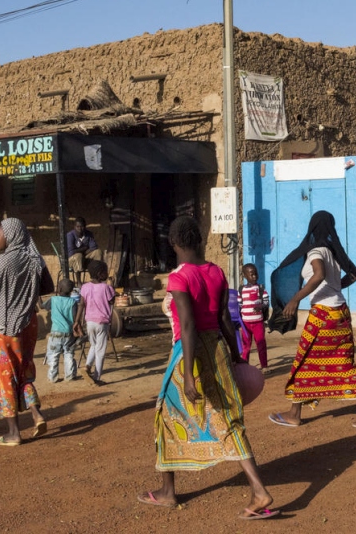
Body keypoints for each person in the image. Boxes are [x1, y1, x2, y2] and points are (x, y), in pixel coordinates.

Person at [138, 216, 279, 521]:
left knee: (166, 417)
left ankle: (168, 492)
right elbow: (226, 320)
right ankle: (258, 491)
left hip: (189, 356)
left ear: (174, 244)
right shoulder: (215, 271)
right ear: (199, 240)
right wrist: (235, 353)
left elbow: (187, 326)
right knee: (230, 418)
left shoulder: (179, 277)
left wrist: (188, 374)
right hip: (217, 352)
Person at [267, 210, 356, 430]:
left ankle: (294, 414)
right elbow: (354, 274)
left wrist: (294, 300)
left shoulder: (315, 251)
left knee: (303, 360)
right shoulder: (335, 253)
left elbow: (318, 274)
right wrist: (335, 287)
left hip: (322, 315)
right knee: (345, 363)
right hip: (341, 314)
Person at [0, 217, 49, 446]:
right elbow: (48, 287)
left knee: (5, 376)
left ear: (10, 235)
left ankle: (14, 433)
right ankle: (36, 415)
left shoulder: (2, 262)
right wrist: (26, 292)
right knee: (23, 370)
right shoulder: (35, 258)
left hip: (6, 327)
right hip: (29, 323)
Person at [75, 260, 115, 386]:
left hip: (89, 322)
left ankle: (87, 367)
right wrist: (112, 285)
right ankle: (97, 377)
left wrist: (76, 321)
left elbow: (81, 304)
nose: (107, 273)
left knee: (93, 345)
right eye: (105, 272)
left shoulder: (85, 287)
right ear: (100, 274)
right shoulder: (106, 288)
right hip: (102, 322)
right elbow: (112, 301)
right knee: (100, 350)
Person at [41, 278, 79, 383]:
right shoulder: (73, 302)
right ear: (71, 291)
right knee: (69, 353)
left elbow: (42, 306)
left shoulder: (53, 299)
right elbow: (75, 317)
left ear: (59, 288)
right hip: (68, 333)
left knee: (53, 355)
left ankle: (53, 377)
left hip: (55, 333)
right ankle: (70, 375)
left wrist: (38, 296)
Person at [238, 263, 270, 373]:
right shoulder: (241, 290)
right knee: (246, 346)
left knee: (261, 343)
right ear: (245, 276)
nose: (254, 277)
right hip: (245, 324)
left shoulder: (261, 289)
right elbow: (239, 305)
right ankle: (244, 367)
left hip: (258, 323)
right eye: (251, 274)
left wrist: (260, 306)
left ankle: (264, 366)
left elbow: (266, 302)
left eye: (256, 274)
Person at [65, 217, 103, 284]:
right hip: (71, 260)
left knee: (98, 252)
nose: (80, 229)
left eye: (82, 226)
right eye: (78, 227)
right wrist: (85, 248)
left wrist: (82, 251)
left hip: (84, 258)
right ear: (74, 227)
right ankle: (79, 282)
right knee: (78, 255)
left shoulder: (88, 234)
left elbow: (94, 247)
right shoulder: (70, 235)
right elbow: (71, 251)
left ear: (85, 226)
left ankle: (97, 277)